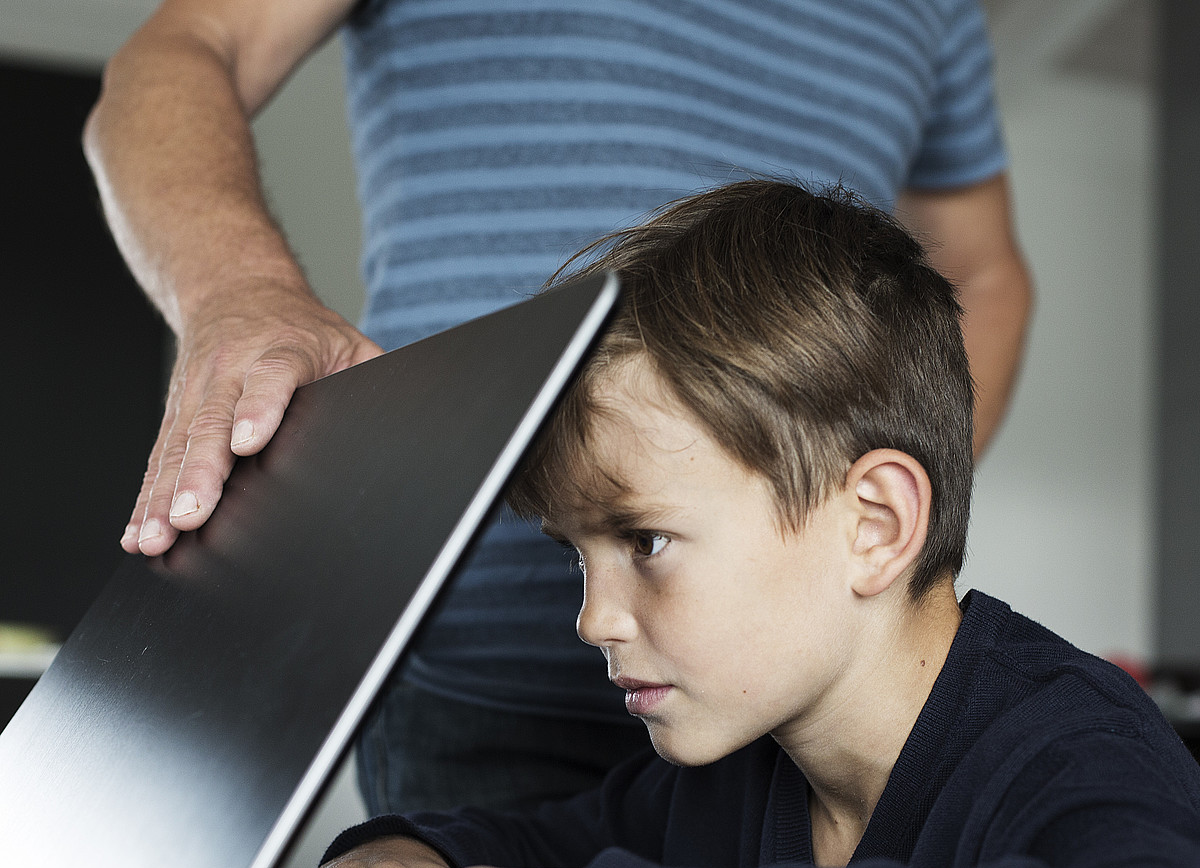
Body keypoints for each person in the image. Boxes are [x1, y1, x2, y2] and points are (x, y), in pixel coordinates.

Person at [245, 181, 1200, 868]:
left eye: (646, 541)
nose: (592, 618)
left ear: (873, 526)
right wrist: (419, 858)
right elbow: (538, 844)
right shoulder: (727, 779)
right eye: (581, 556)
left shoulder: (1066, 746)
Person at [84, 0, 1032, 816]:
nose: (596, 618)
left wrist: (853, 530)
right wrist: (241, 292)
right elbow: (181, 49)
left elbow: (983, 271)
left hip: (791, 722)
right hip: (472, 690)